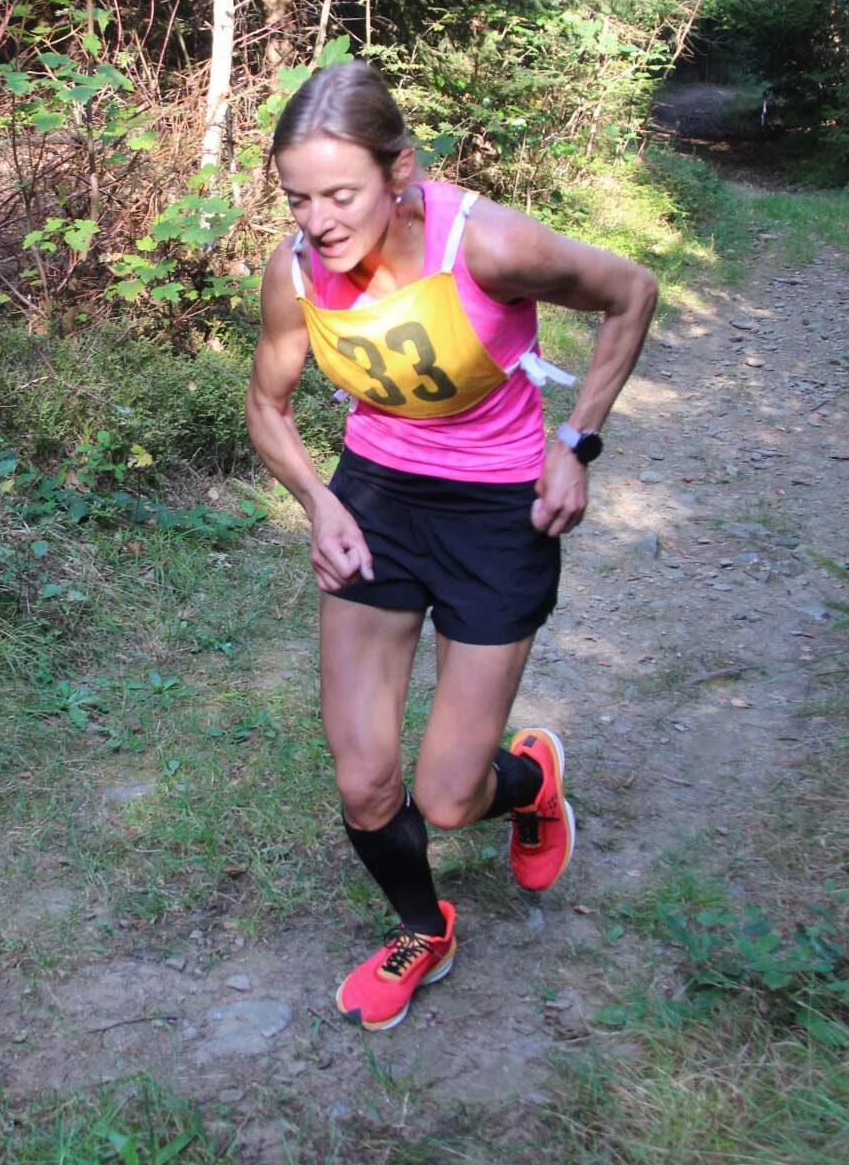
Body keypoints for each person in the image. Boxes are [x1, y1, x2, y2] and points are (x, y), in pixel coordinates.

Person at [245, 62, 657, 1032]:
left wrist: (575, 443)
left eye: (339, 195)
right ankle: (422, 927)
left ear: (401, 172)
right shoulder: (295, 271)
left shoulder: (491, 245)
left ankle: (529, 781)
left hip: (497, 516)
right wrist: (318, 502)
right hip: (377, 502)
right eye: (296, 198)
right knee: (363, 780)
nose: (317, 222)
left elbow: (631, 292)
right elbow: (266, 403)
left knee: (447, 794)